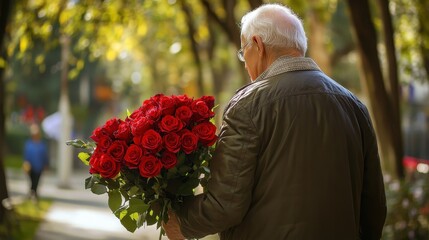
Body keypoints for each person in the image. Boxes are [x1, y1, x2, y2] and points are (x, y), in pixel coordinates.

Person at [164, 3, 386, 240]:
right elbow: (374, 209)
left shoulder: (248, 105)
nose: (245, 62)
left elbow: (224, 206)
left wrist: (176, 221)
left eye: (243, 52)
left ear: (258, 45)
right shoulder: (354, 106)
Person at [23, 123, 49, 200]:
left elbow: (45, 155)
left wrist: (46, 164)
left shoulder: (42, 145)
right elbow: (26, 155)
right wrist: (25, 164)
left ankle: (33, 193)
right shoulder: (29, 144)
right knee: (32, 180)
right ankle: (33, 193)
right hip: (31, 167)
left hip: (39, 167)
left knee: (37, 181)